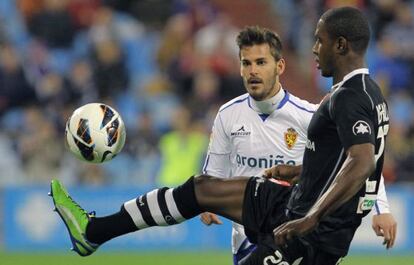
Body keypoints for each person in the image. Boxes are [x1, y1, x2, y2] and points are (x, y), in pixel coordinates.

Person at [50, 7, 394, 264]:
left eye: (320, 40)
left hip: (311, 233)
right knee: (202, 188)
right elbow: (348, 159)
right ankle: (93, 232)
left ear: (342, 44)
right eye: (247, 63)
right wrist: (299, 171)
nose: (314, 48)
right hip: (291, 202)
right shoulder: (362, 93)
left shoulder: (350, 97)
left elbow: (362, 162)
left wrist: (312, 218)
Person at [197, 26, 396, 264]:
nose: (253, 71)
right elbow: (214, 172)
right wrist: (206, 203)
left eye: (261, 62)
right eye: (246, 63)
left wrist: (380, 208)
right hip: (244, 235)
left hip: (292, 232)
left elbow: (361, 158)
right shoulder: (227, 115)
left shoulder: (310, 116)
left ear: (280, 66)